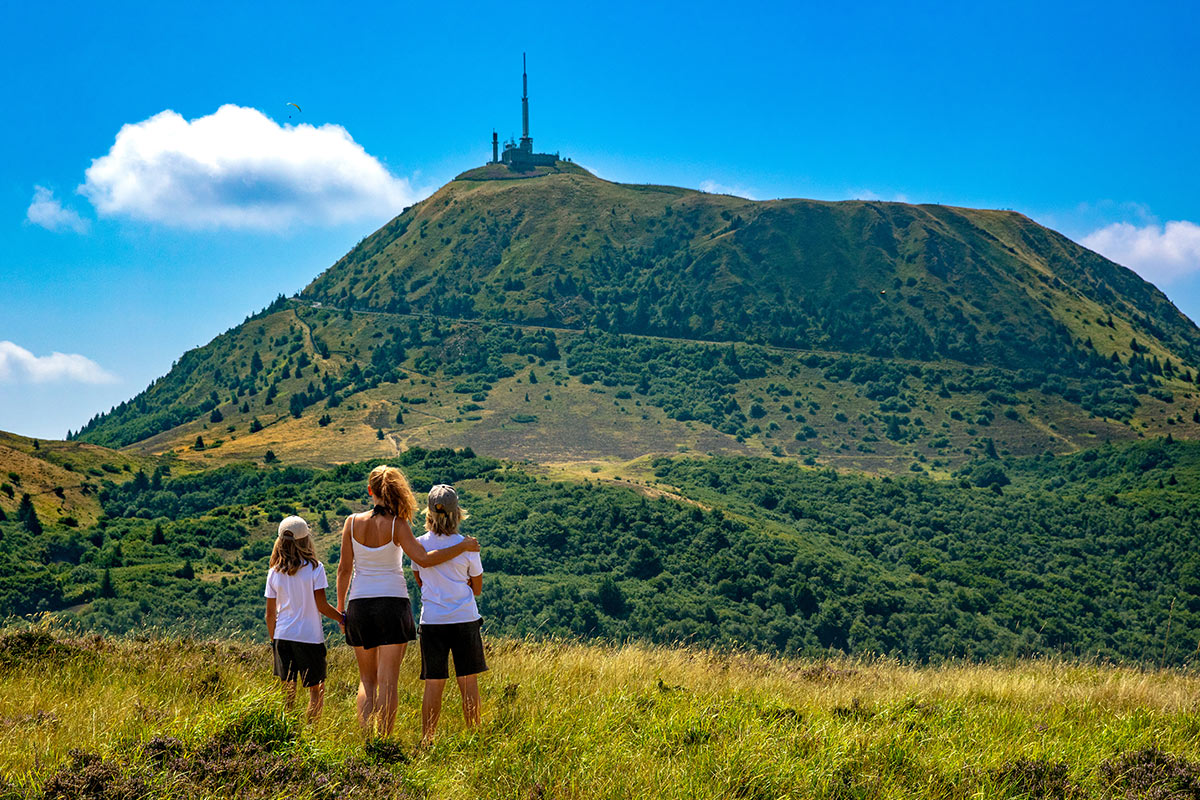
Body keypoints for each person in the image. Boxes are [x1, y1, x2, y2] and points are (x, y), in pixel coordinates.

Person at [336, 465, 480, 736]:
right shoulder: (397, 524)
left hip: (360, 604)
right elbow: (423, 559)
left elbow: (344, 569)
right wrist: (462, 547)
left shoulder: (352, 522)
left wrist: (341, 610)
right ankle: (385, 739)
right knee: (389, 681)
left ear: (370, 491)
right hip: (393, 605)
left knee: (367, 680)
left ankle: (368, 740)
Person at [411, 484, 486, 742]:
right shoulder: (468, 546)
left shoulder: (419, 545)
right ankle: (473, 736)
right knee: (468, 681)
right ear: (457, 513)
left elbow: (419, 579)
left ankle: (428, 739)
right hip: (464, 618)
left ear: (429, 513)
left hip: (432, 620)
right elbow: (477, 588)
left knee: (433, 683)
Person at [264, 515, 343, 721]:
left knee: (288, 692)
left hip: (283, 636)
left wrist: (274, 641)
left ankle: (288, 732)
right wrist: (343, 619)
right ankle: (312, 733)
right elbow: (322, 606)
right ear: (306, 540)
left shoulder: (274, 572)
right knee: (316, 691)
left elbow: (270, 614)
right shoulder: (316, 568)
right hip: (309, 637)